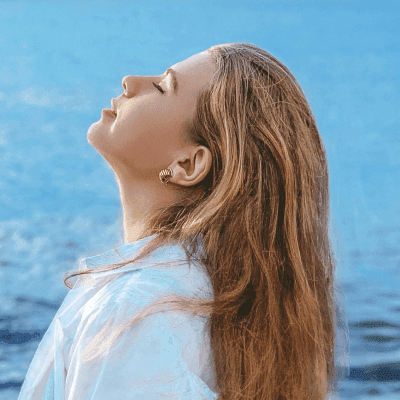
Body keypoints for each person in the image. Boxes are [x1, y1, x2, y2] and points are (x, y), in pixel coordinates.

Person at [18, 43, 349, 400]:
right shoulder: (217, 300)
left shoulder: (137, 315)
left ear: (188, 165)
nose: (130, 82)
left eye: (162, 87)